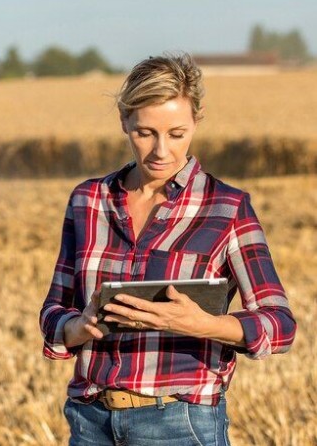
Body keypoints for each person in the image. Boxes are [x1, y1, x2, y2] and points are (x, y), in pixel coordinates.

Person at [38, 53, 296, 445]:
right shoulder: (88, 201)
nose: (161, 150)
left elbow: (280, 325)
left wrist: (201, 324)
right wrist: (78, 327)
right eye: (145, 133)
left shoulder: (227, 207)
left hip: (179, 423)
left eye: (177, 134)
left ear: (196, 122)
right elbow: (54, 311)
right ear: (124, 121)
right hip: (90, 421)